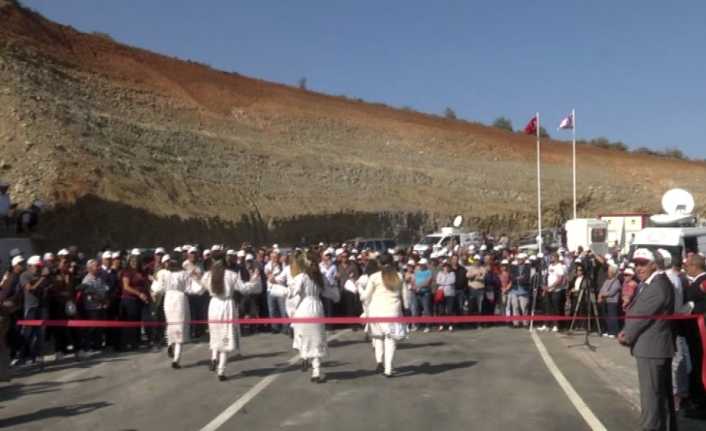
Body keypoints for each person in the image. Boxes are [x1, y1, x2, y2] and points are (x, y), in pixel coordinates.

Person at [618, 248, 676, 431]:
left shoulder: (658, 285)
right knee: (660, 395)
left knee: (651, 396)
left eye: (643, 264)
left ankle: (650, 428)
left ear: (653, 264)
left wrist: (627, 334)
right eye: (636, 264)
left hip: (652, 347)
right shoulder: (655, 283)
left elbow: (642, 314)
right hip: (654, 346)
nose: (638, 268)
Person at [198, 258, 259, 381]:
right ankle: (221, 370)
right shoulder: (231, 275)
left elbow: (199, 289)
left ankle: (214, 358)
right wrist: (254, 279)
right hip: (226, 305)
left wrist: (195, 276)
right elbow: (244, 289)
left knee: (215, 334)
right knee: (225, 336)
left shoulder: (208, 275)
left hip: (214, 305)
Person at [359, 253, 407, 377]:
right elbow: (406, 297)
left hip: (376, 312)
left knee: (378, 337)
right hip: (393, 312)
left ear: (379, 264)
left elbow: (365, 296)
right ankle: (388, 368)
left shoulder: (374, 277)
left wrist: (360, 290)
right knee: (390, 340)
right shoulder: (400, 276)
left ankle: (380, 361)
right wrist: (406, 308)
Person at [150, 254, 201, 369]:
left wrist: (154, 291)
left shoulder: (163, 273)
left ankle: (169, 344)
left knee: (170, 324)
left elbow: (156, 288)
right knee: (180, 327)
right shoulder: (183, 274)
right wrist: (200, 284)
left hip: (168, 299)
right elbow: (191, 288)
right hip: (180, 299)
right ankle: (176, 359)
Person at [288, 250, 328, 383]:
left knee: (301, 334)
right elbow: (329, 292)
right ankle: (316, 371)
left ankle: (304, 356)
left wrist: (276, 286)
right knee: (316, 339)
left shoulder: (303, 277)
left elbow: (292, 292)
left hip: (305, 307)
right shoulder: (320, 277)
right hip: (317, 307)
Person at [78, 259, 111, 352]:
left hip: (101, 306)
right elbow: (90, 295)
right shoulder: (87, 280)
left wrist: (106, 300)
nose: (98, 267)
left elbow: (105, 289)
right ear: (89, 268)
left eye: (98, 265)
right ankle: (89, 345)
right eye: (96, 266)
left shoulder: (99, 277)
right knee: (93, 327)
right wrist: (102, 300)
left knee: (100, 327)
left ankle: (98, 345)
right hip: (92, 308)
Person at [597, 264, 621, 337]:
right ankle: (607, 330)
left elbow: (611, 292)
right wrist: (599, 296)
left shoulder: (616, 281)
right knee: (606, 317)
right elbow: (602, 289)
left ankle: (614, 332)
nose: (608, 273)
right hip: (605, 301)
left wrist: (602, 295)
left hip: (612, 302)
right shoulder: (607, 281)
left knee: (612, 317)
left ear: (613, 272)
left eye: (609, 271)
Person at [436, 262, 456, 331]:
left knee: (449, 310)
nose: (446, 268)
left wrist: (443, 282)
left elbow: (452, 281)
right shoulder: (440, 273)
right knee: (441, 310)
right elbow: (438, 281)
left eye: (447, 267)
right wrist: (445, 280)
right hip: (441, 294)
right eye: (445, 267)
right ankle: (441, 324)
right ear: (443, 267)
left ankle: (450, 325)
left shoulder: (452, 273)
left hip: (450, 294)